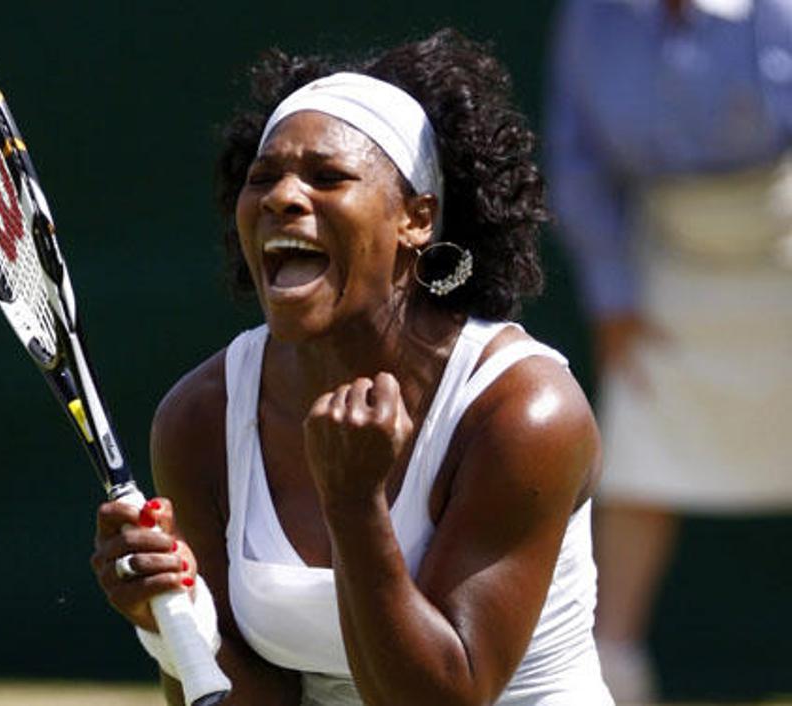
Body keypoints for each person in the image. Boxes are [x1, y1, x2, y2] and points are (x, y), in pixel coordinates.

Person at [91, 28, 614, 706]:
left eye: (327, 177)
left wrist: (354, 503)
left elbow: (446, 699)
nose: (282, 197)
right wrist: (170, 623)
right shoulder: (200, 415)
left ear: (416, 219)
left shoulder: (523, 412)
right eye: (262, 178)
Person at [545, 0, 792, 702]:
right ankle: (606, 675)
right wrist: (613, 298)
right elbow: (578, 159)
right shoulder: (593, 17)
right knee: (634, 474)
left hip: (784, 248)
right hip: (664, 269)